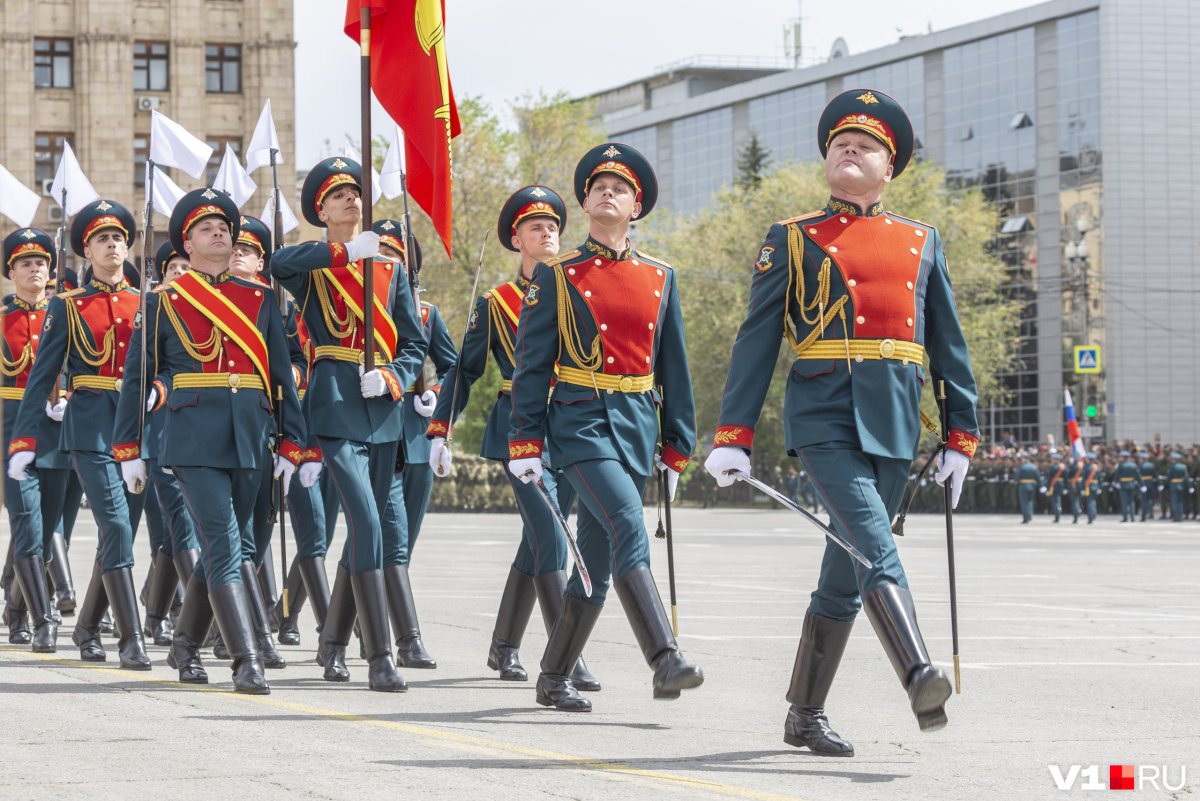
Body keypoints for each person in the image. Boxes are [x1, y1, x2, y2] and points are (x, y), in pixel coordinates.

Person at [704, 89, 976, 754]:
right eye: (839, 144)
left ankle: (804, 713)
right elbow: (757, 341)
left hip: (895, 420)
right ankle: (918, 672)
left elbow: (949, 346)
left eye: (866, 146)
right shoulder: (793, 238)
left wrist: (961, 435)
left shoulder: (921, 241)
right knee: (871, 543)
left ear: (891, 168)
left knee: (843, 570)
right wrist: (733, 433)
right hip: (823, 415)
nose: (848, 150)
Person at [507, 144, 701, 712]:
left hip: (637, 427)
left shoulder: (661, 277)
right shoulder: (558, 276)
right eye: (598, 186)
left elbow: (674, 367)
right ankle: (664, 656)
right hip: (581, 424)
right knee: (625, 523)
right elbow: (531, 364)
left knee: (591, 566)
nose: (608, 192)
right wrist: (526, 440)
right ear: (585, 201)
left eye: (620, 187)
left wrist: (677, 445)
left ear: (636, 205)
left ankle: (553, 676)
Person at [111, 189, 314, 693]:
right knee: (224, 543)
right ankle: (246, 659)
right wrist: (128, 448)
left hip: (251, 435)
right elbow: (139, 380)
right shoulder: (162, 302)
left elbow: (280, 378)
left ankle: (184, 644)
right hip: (192, 438)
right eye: (207, 229)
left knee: (234, 544)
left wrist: (295, 442)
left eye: (225, 228)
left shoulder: (262, 299)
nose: (220, 234)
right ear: (187, 242)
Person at [426, 186, 598, 691]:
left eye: (553, 227)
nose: (547, 234)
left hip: (571, 423)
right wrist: (441, 427)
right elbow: (465, 369)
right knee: (550, 535)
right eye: (536, 228)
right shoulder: (496, 302)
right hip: (519, 430)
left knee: (537, 542)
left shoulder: (579, 289)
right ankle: (564, 657)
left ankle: (503, 647)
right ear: (517, 240)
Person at [272, 157, 428, 692]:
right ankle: (378, 654)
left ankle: (331, 642)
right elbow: (276, 261)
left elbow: (414, 343)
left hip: (381, 406)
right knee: (367, 521)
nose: (350, 200)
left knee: (369, 529)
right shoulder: (314, 265)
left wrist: (393, 375)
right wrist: (343, 252)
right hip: (335, 401)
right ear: (321, 209)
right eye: (338, 195)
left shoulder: (392, 268)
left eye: (356, 192)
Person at [7, 200, 150, 669]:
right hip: (89, 427)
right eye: (102, 240)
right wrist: (25, 440)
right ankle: (131, 638)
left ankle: (87, 624)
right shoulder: (69, 306)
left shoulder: (149, 302)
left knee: (120, 535)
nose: (113, 246)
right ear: (87, 251)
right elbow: (43, 373)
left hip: (139, 430)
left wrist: (163, 391)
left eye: (118, 239)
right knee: (116, 527)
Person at [375, 219, 451, 669]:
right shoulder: (356, 311)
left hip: (417, 443)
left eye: (396, 255)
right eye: (380, 253)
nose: (387, 261)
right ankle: (406, 639)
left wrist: (436, 397)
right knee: (392, 540)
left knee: (403, 543)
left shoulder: (426, 314)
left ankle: (353, 624)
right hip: (378, 436)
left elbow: (452, 365)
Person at [1, 227, 62, 651]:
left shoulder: (63, 316)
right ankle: (42, 618)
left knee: (46, 525)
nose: (35, 268)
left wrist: (70, 397)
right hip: (9, 426)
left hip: (56, 428)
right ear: (11, 272)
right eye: (26, 263)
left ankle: (17, 606)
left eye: (41, 262)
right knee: (25, 518)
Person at [1016, 452, 1041, 524]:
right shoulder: (1034, 467)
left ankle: (1025, 518)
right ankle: (1030, 515)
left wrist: (1016, 482)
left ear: (1025, 458)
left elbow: (1017, 477)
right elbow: (1038, 477)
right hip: (1032, 486)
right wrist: (1041, 486)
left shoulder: (1022, 467)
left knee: (1024, 503)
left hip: (1023, 486)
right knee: (1030, 501)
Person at [1114, 450, 1138, 522]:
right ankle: (1132, 517)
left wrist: (1115, 482)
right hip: (1132, 484)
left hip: (1123, 484)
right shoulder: (1133, 465)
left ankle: (1125, 517)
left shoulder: (1121, 465)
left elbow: (1117, 474)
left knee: (1124, 501)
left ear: (1122, 457)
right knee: (1131, 501)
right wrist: (1140, 483)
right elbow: (1137, 475)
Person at [1166, 452, 1190, 522]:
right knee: (1180, 502)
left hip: (1174, 485)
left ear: (1174, 459)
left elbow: (1169, 477)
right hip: (1181, 486)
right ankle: (1180, 516)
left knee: (1174, 502)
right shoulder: (1183, 466)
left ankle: (1176, 517)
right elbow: (1186, 477)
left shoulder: (1172, 467)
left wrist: (1167, 483)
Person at [1044, 452, 1068, 523]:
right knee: (1058, 499)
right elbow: (1066, 478)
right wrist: (1066, 487)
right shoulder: (1063, 467)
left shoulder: (1052, 467)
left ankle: (1057, 514)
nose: (1052, 460)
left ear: (1056, 460)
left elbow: (1049, 479)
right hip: (1061, 485)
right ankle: (1059, 510)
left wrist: (1048, 488)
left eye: (1053, 459)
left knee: (1055, 500)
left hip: (1053, 485)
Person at [1079, 451, 1101, 524]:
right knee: (1093, 501)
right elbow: (1100, 479)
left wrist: (1082, 488)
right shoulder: (1097, 467)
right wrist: (1099, 487)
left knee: (1089, 502)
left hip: (1088, 486)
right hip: (1095, 486)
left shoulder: (1086, 467)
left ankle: (1090, 518)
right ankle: (1094, 514)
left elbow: (1084, 478)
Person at [1137, 451, 1158, 521]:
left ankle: (1143, 517)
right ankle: (1150, 511)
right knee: (1150, 499)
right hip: (1150, 483)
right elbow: (1155, 475)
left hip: (1143, 484)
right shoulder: (1152, 465)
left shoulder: (1140, 466)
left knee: (1144, 501)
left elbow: (1138, 476)